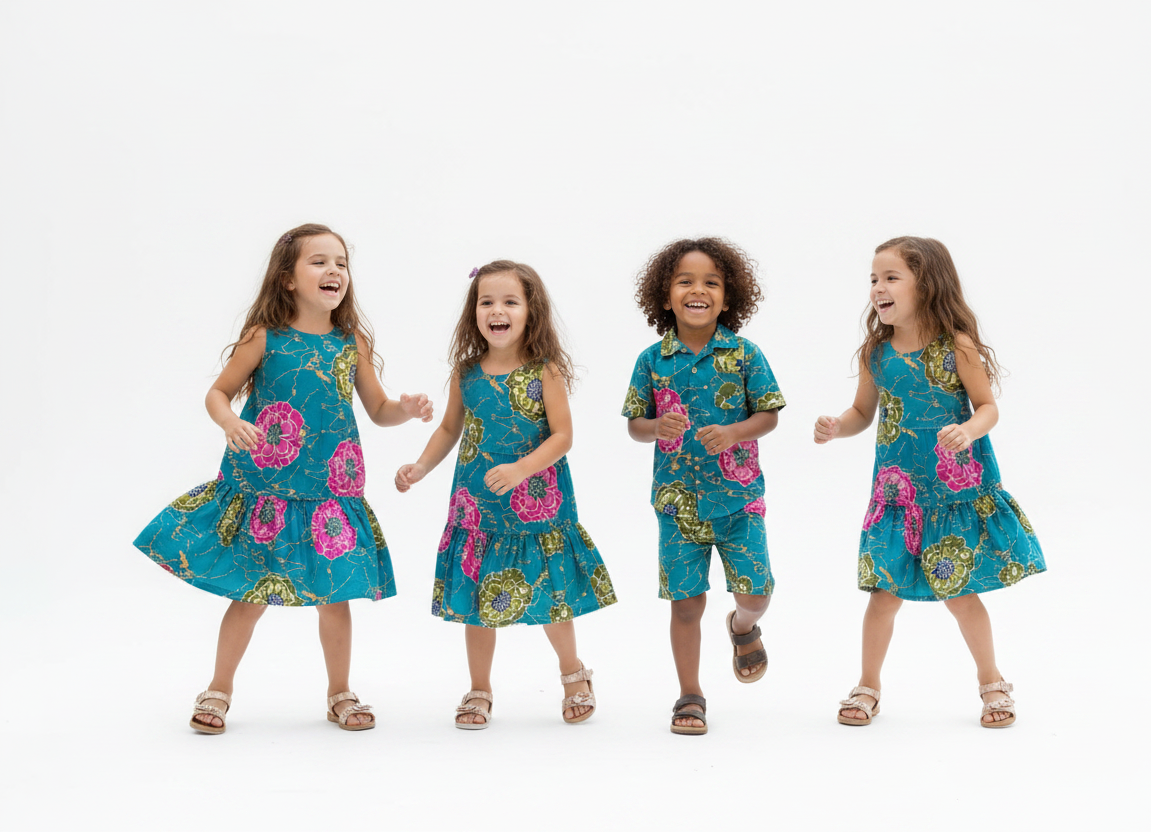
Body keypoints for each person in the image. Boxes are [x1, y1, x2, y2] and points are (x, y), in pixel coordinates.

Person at [135, 223, 434, 734]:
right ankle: (219, 689)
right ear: (288, 278)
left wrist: (403, 410)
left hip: (328, 493)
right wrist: (230, 422)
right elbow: (218, 393)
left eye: (341, 263)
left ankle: (340, 693)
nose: (333, 270)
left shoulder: (350, 343)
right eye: (319, 261)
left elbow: (378, 409)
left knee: (335, 599)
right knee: (251, 595)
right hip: (267, 488)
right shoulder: (265, 337)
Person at [814, 236, 1045, 728]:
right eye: (874, 279)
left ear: (927, 283)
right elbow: (862, 412)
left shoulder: (955, 347)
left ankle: (992, 682)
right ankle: (868, 685)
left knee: (960, 595)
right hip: (898, 496)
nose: (878, 287)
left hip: (950, 492)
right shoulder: (876, 352)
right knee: (882, 596)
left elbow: (988, 407)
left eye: (891, 277)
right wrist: (838, 426)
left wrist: (968, 430)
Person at [395, 260, 615, 729]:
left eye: (510, 301)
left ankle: (574, 674)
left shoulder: (544, 371)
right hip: (478, 506)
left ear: (531, 312)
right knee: (479, 600)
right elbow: (450, 428)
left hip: (537, 504)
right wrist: (419, 467)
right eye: (487, 302)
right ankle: (479, 689)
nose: (497, 310)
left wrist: (520, 470)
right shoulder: (466, 372)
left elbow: (562, 437)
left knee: (552, 594)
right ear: (474, 313)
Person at [622, 237, 785, 735]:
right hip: (676, 503)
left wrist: (735, 431)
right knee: (686, 603)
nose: (699, 290)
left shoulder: (744, 353)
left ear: (728, 296)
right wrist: (656, 428)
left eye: (711, 282)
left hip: (739, 500)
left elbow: (769, 415)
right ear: (665, 296)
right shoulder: (652, 360)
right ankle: (690, 695)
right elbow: (635, 424)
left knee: (756, 591)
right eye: (685, 281)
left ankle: (743, 627)